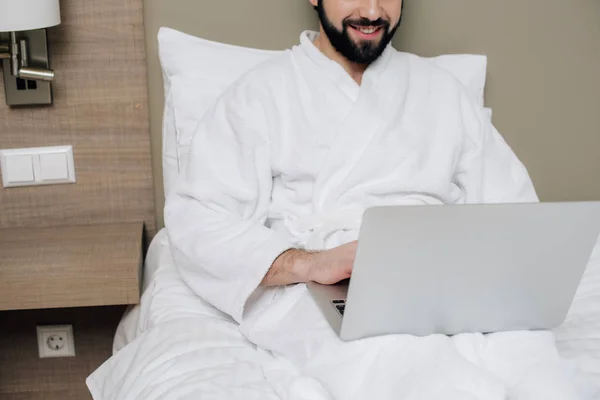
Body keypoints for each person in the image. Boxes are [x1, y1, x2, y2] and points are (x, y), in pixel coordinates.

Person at [165, 0, 579, 398]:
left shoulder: (441, 91)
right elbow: (198, 216)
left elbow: (512, 209)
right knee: (405, 365)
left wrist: (479, 269)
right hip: (319, 283)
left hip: (439, 270)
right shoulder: (260, 94)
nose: (371, 11)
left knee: (530, 359)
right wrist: (309, 262)